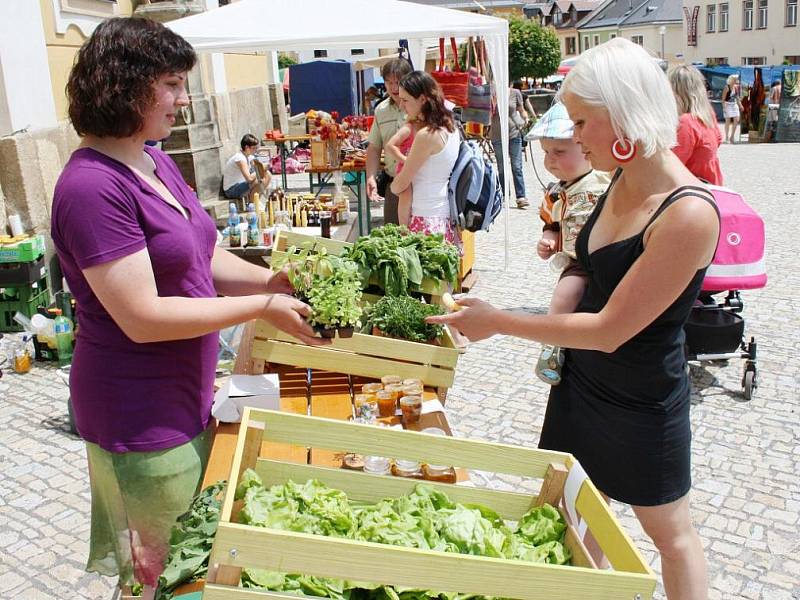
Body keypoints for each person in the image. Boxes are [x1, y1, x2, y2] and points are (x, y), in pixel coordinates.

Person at [428, 38, 719, 599]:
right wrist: (549, 310)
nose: (575, 134)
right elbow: (585, 265)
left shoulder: (688, 213)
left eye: (583, 121)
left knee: (670, 534)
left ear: (624, 116)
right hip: (582, 384)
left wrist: (503, 321)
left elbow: (611, 329)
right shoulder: (619, 181)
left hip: (640, 399)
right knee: (572, 518)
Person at [51, 17, 326, 599]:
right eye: (172, 85)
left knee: (188, 558)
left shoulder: (151, 158)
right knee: (161, 575)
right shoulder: (92, 187)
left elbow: (202, 255)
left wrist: (269, 280)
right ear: (125, 86)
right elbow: (142, 316)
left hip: (185, 393)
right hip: (138, 409)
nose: (185, 99)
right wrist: (261, 308)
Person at [529, 102, 610, 385]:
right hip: (577, 262)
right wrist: (549, 238)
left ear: (585, 149)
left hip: (601, 258)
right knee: (566, 291)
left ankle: (554, 337)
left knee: (567, 294)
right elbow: (552, 221)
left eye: (559, 152)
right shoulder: (556, 190)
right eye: (546, 153)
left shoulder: (601, 182)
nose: (550, 160)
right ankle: (554, 346)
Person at [390, 71, 460, 246]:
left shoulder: (426, 135)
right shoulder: (451, 128)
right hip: (443, 217)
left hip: (424, 219)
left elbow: (401, 183)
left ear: (422, 99)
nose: (402, 105)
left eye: (405, 100)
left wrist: (393, 185)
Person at [366, 58, 414, 224]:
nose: (393, 88)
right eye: (389, 82)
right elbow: (374, 147)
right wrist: (371, 176)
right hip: (393, 184)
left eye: (398, 82)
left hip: (419, 185)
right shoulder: (381, 110)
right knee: (394, 239)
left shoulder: (420, 106)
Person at [668, 65, 723, 185]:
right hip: (711, 185)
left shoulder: (686, 122)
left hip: (691, 191)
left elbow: (672, 166)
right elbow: (718, 139)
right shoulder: (708, 115)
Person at [491, 83, 530, 209]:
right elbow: (489, 112)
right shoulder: (491, 93)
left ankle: (521, 196)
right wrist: (495, 99)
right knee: (502, 168)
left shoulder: (515, 93)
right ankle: (503, 195)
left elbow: (521, 110)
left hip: (514, 132)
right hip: (497, 135)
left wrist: (526, 119)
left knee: (516, 166)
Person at [385, 116, 420, 226]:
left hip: (418, 171)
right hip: (405, 170)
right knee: (406, 195)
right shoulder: (408, 128)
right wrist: (405, 160)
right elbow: (390, 145)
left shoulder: (425, 129)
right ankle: (403, 226)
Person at [222, 133, 263, 200]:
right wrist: (261, 170)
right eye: (254, 148)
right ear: (247, 147)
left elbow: (256, 165)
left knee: (267, 175)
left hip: (241, 185)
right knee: (257, 180)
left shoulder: (249, 156)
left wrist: (262, 166)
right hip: (231, 190)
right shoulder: (240, 158)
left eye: (256, 148)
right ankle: (253, 203)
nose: (256, 150)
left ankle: (256, 201)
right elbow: (249, 179)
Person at [721, 73, 742, 144]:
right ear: (732, 80)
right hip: (727, 105)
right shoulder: (727, 87)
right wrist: (724, 108)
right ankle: (726, 136)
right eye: (736, 79)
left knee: (737, 120)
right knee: (728, 121)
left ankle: (732, 136)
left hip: (734, 104)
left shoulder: (736, 87)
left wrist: (740, 105)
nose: (737, 80)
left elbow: (737, 97)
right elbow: (723, 99)